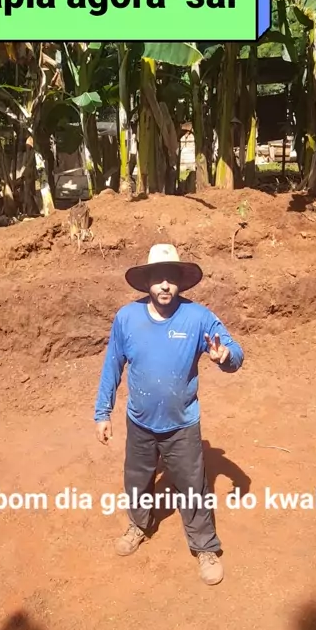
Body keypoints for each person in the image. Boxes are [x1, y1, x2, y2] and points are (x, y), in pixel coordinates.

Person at [94, 243, 244, 585]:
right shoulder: (127, 318)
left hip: (182, 425)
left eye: (171, 278)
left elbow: (235, 352)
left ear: (180, 281)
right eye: (158, 277)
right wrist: (103, 412)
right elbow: (112, 365)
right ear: (147, 281)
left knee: (192, 485)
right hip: (140, 422)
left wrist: (225, 357)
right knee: (137, 479)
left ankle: (205, 547)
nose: (164, 285)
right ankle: (138, 525)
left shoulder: (198, 318)